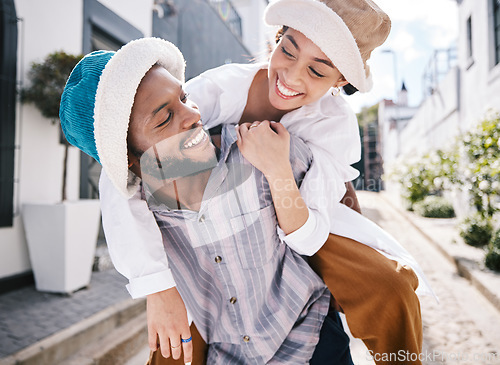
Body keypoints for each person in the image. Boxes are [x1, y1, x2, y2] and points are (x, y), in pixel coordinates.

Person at [99, 0, 436, 364]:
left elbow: (308, 236)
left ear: (341, 81)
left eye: (318, 71)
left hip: (305, 211)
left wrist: (277, 170)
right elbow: (123, 169)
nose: (291, 77)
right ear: (277, 38)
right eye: (287, 50)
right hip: (211, 209)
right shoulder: (219, 89)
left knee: (391, 289)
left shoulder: (333, 127)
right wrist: (158, 288)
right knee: (177, 337)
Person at [59, 37, 355, 364]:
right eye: (163, 118)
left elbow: (338, 199)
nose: (192, 114)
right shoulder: (143, 223)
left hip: (313, 340)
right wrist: (157, 288)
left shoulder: (260, 150)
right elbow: (117, 199)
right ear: (130, 160)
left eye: (184, 97)